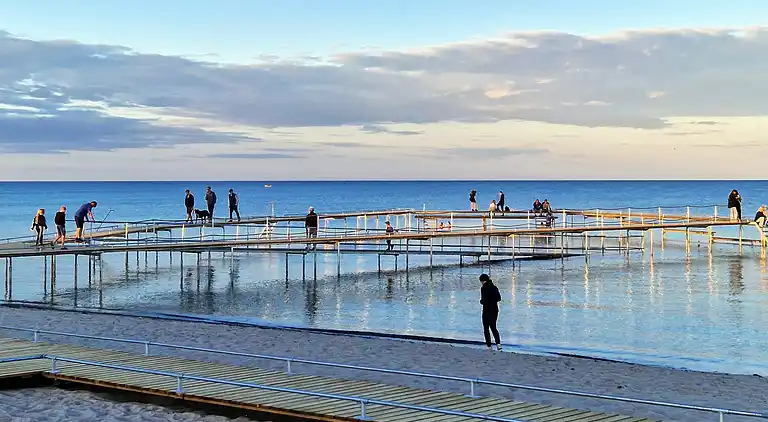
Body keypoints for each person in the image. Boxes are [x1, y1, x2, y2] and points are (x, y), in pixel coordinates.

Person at [479, 273, 502, 351]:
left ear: (482, 281)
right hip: (495, 310)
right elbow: (499, 298)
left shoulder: (483, 288)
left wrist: (481, 301)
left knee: (486, 328)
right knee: (493, 327)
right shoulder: (495, 287)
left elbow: (484, 300)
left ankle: (489, 346)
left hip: (486, 310)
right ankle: (498, 344)